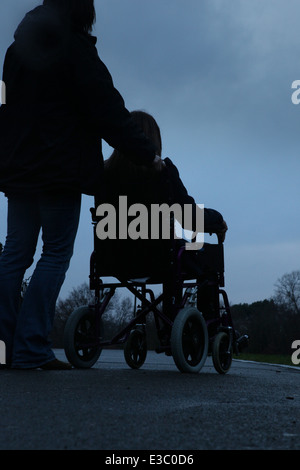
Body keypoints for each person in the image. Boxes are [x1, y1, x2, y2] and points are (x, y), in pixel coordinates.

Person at [0, 1, 164, 370]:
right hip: (59, 169)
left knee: (14, 254)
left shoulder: (15, 51)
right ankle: (30, 349)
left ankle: (4, 347)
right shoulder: (75, 51)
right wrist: (146, 154)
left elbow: (4, 108)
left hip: (18, 167)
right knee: (55, 253)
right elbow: (107, 111)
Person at [102, 110, 228, 335]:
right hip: (159, 257)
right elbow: (189, 217)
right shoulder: (163, 171)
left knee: (172, 248)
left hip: (113, 257)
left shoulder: (105, 173)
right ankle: (209, 331)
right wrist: (217, 220)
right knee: (206, 258)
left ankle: (170, 326)